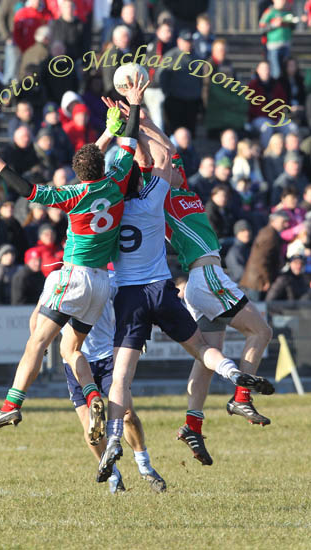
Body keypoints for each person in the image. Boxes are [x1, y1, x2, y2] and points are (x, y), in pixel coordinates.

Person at [97, 100, 274, 480]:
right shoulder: (160, 197)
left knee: (206, 356)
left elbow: (168, 153)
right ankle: (241, 398)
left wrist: (142, 121)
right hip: (204, 275)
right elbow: (155, 156)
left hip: (196, 282)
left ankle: (192, 426)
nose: (176, 169)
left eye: (178, 168)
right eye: (172, 168)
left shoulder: (182, 187)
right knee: (262, 331)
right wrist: (138, 120)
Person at [0, 74, 150, 438]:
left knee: (37, 341)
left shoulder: (70, 194)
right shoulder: (116, 178)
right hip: (102, 282)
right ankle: (91, 394)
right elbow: (129, 140)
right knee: (72, 348)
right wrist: (132, 105)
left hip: (74, 274)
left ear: (77, 171)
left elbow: (25, 190)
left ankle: (11, 405)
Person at [60, 271, 166, 494]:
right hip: (75, 359)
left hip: (109, 356)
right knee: (92, 428)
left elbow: (130, 307)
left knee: (127, 414)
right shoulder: (59, 280)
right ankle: (113, 476)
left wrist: (134, 337)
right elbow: (39, 316)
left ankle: (144, 466)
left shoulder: (109, 278)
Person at [160, 30, 202, 137]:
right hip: (176, 100)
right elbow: (161, 76)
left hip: (192, 101)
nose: (188, 44)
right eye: (185, 41)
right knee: (175, 132)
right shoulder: (171, 56)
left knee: (190, 133)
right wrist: (167, 93)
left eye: (190, 41)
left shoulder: (197, 56)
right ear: (179, 41)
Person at [240, 210, 289, 301]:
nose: (286, 225)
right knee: (256, 310)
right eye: (283, 221)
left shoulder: (270, 233)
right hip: (258, 281)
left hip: (259, 279)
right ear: (274, 220)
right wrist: (266, 280)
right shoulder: (270, 234)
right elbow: (260, 259)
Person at [247, 60, 289, 149]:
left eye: (268, 69)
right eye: (263, 69)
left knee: (291, 127)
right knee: (267, 128)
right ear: (258, 70)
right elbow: (250, 107)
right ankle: (266, 152)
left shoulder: (276, 85)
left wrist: (276, 116)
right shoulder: (252, 85)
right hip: (258, 118)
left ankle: (288, 154)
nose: (266, 71)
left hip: (275, 117)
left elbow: (282, 102)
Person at [142, 21, 174, 131]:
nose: (169, 34)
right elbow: (154, 69)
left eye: (170, 31)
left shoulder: (165, 45)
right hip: (154, 88)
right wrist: (156, 83)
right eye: (166, 31)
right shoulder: (158, 45)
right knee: (157, 120)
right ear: (158, 32)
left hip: (155, 87)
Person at [259, 0, 295, 79]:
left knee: (286, 71)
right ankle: (275, 89)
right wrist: (274, 25)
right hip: (274, 47)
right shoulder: (270, 12)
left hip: (286, 46)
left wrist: (292, 22)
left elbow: (292, 27)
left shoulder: (287, 12)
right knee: (276, 72)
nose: (283, 2)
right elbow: (262, 27)